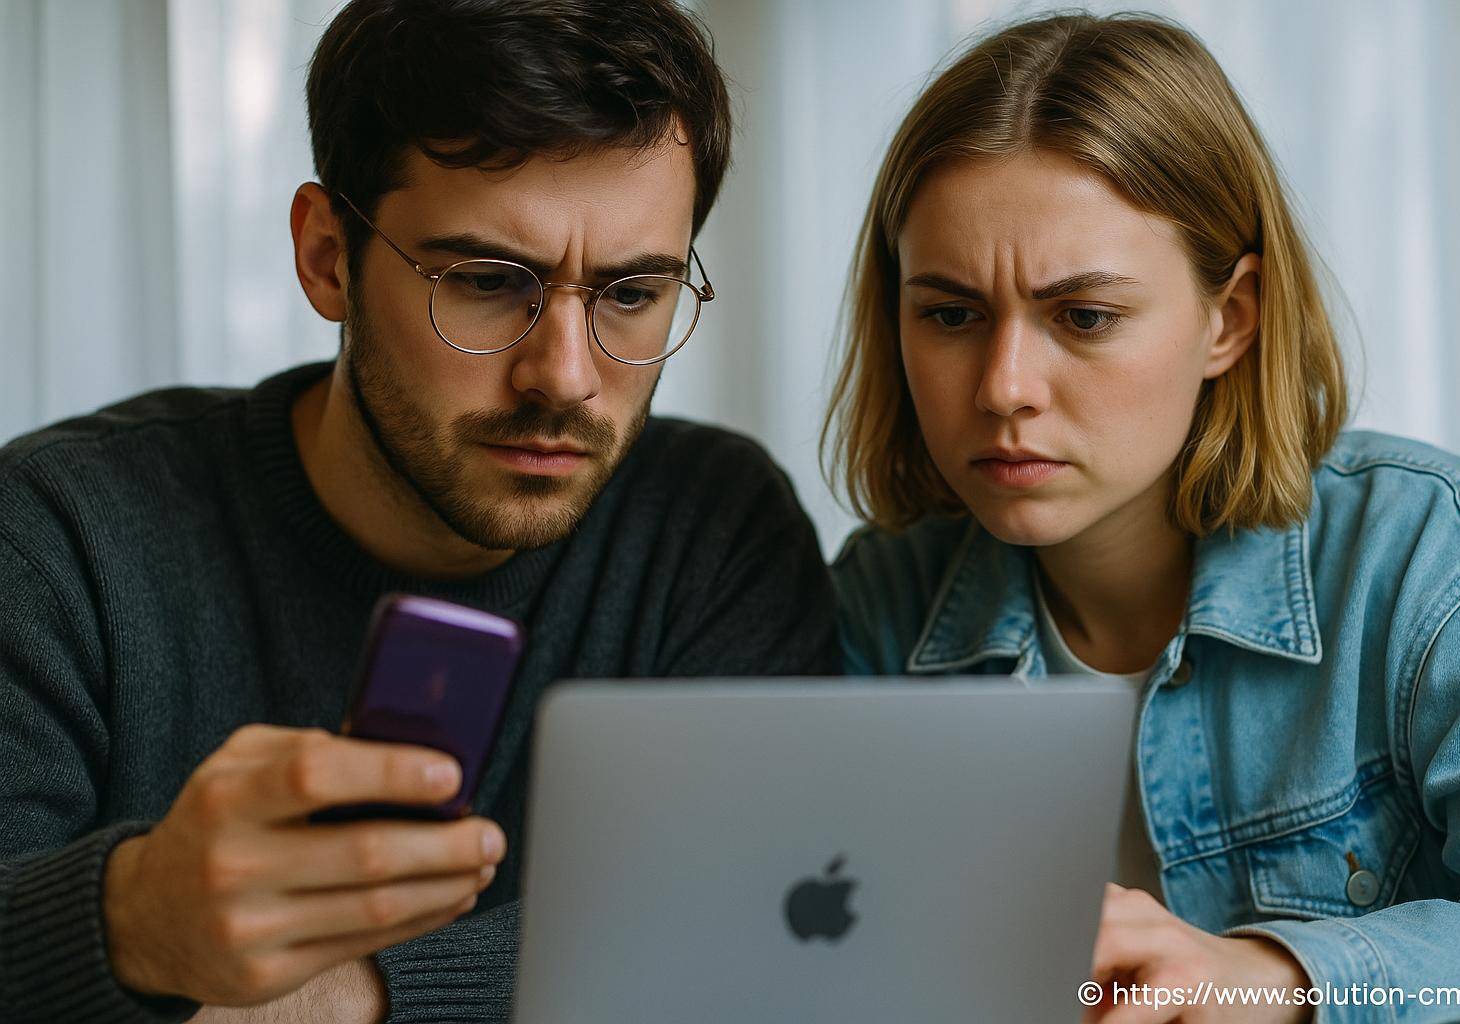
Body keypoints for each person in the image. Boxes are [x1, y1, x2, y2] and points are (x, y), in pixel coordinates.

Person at [0, 2, 838, 1021]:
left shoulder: (714, 529)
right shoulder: (59, 533)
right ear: (325, 255)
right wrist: (130, 919)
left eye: (630, 294)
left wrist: (352, 996)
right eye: (488, 281)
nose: (565, 379)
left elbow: (755, 932)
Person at [827, 12, 1460, 1023]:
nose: (1003, 386)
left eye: (1084, 316)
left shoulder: (1432, 563)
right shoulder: (880, 602)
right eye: (949, 313)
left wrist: (1285, 976)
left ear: (1230, 318)